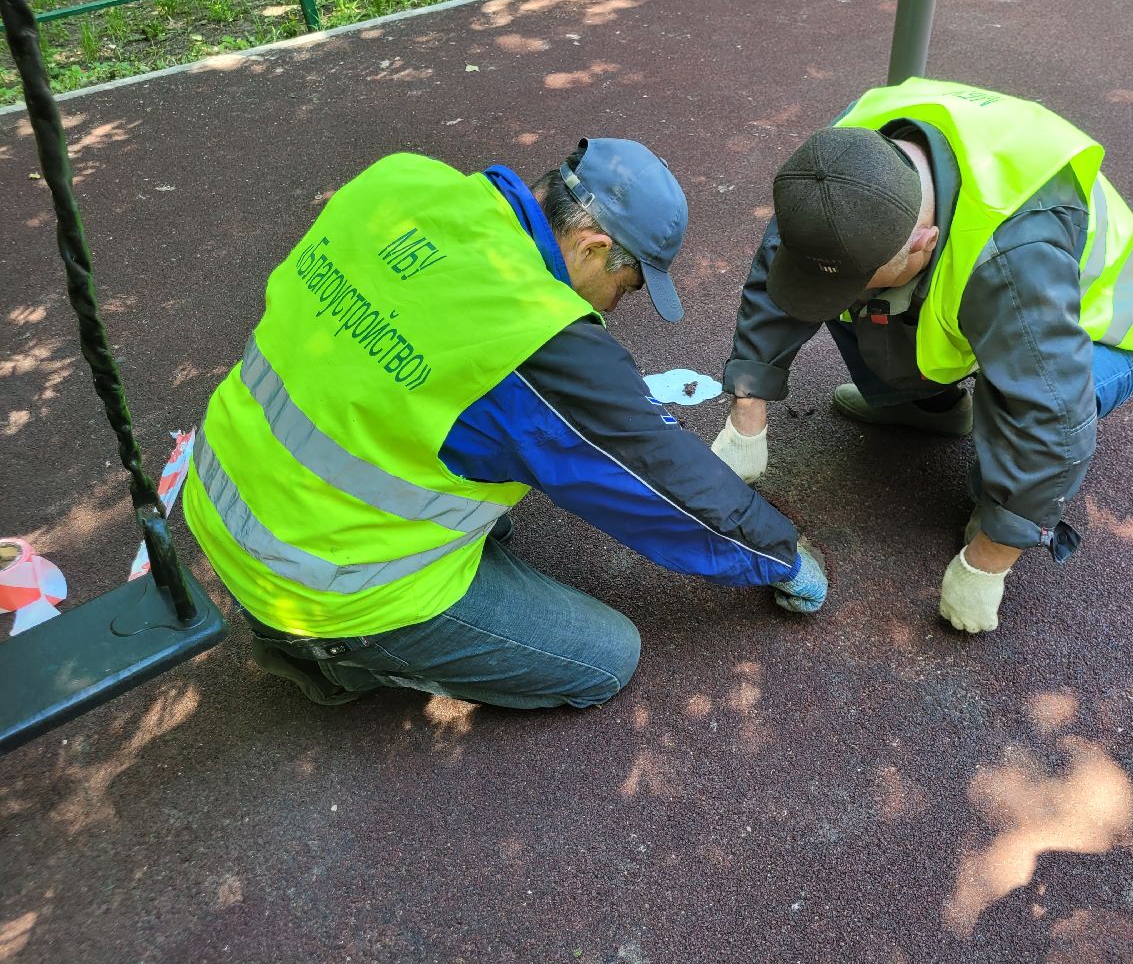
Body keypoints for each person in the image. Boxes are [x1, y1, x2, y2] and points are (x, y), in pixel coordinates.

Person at [183, 139, 827, 709]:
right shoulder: (537, 340)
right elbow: (655, 476)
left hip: (220, 491)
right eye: (627, 287)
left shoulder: (399, 182)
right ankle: (339, 661)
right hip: (320, 584)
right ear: (595, 246)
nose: (618, 307)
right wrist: (778, 555)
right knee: (605, 657)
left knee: (492, 472)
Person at [709, 78, 1133, 634]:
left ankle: (994, 497)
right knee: (845, 289)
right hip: (979, 287)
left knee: (1018, 399)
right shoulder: (842, 168)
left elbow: (1053, 418)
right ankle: (930, 407)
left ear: (923, 241)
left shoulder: (1014, 258)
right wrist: (747, 411)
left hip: (1100, 333)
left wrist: (988, 562)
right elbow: (788, 264)